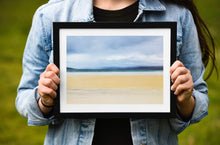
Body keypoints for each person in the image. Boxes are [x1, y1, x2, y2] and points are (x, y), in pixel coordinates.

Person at [16, 0, 217, 145]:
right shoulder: (50, 14)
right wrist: (45, 101)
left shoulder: (178, 14)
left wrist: (185, 100)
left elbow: (199, 99)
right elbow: (24, 95)